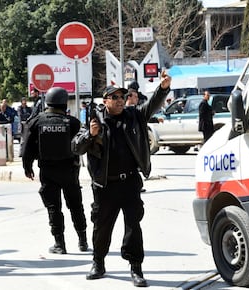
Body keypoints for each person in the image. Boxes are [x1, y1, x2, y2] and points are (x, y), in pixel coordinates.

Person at [72, 72, 171, 287]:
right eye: (114, 97)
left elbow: (152, 105)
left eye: (122, 97)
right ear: (105, 101)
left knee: (133, 227)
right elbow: (76, 147)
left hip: (130, 183)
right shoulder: (94, 121)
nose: (119, 101)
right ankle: (98, 262)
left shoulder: (133, 116)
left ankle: (136, 267)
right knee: (102, 227)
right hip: (105, 185)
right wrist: (90, 134)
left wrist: (163, 88)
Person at [22, 87, 88, 255]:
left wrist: (27, 167)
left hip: (48, 170)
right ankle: (83, 241)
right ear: (64, 103)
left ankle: (60, 244)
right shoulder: (72, 122)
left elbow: (27, 147)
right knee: (75, 206)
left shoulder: (36, 121)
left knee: (53, 207)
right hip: (69, 171)